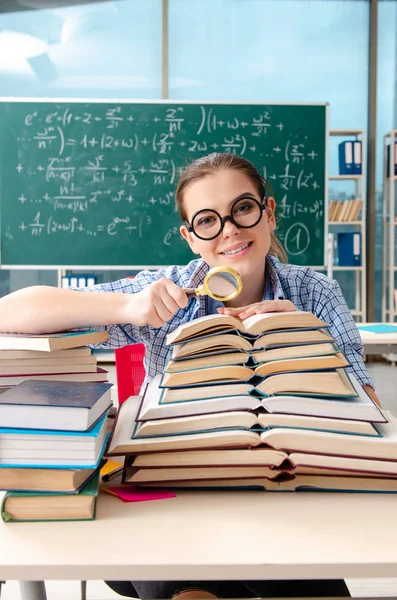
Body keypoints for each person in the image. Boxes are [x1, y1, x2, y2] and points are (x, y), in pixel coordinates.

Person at [0, 153, 378, 599]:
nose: (230, 230)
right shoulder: (168, 291)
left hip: (283, 498)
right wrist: (125, 307)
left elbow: (370, 415)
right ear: (190, 237)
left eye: (242, 209)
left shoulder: (315, 293)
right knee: (187, 585)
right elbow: (12, 312)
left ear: (268, 213)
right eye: (207, 221)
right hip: (176, 497)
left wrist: (303, 343)